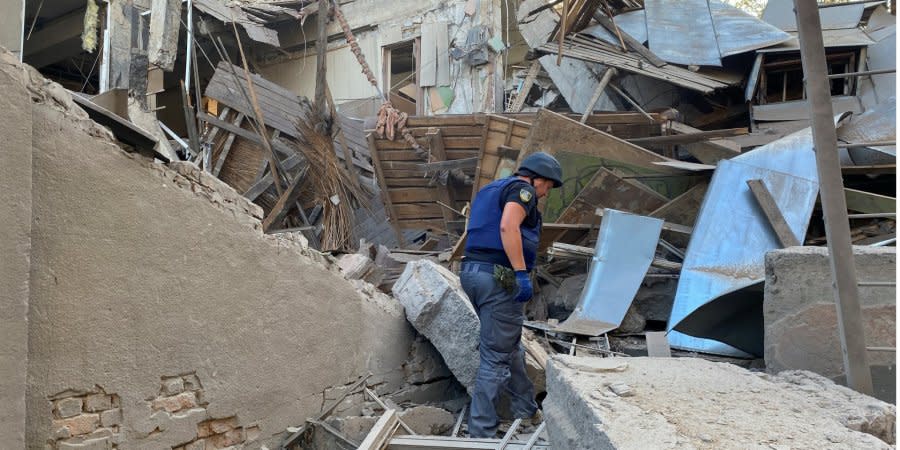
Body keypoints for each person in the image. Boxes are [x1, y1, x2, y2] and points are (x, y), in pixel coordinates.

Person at [459, 152, 563, 438]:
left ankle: (526, 408)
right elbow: (507, 226)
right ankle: (481, 435)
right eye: (547, 187)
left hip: (471, 272)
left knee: (508, 345)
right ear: (536, 178)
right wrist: (519, 272)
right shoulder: (522, 190)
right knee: (495, 357)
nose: (543, 194)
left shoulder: (491, 190)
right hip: (499, 277)